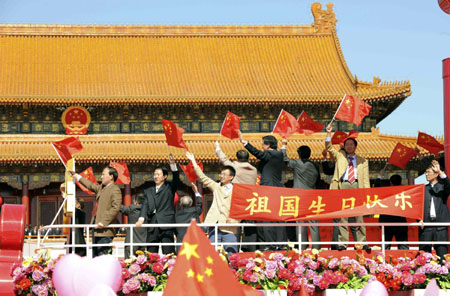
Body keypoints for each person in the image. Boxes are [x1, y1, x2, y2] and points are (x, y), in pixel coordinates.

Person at [325, 124, 370, 251]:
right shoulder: (340, 156)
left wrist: (367, 194)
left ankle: (362, 242)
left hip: (357, 186)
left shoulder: (363, 161)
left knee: (359, 216)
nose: (349, 146)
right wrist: (328, 133)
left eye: (351, 144)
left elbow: (365, 179)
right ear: (344, 146)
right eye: (347, 144)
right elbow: (329, 147)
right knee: (343, 216)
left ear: (355, 146)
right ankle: (343, 243)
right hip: (342, 186)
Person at [239, 131, 286, 250]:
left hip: (269, 188)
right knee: (276, 217)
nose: (262, 147)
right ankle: (278, 243)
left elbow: (259, 154)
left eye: (263, 145)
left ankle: (273, 244)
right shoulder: (278, 154)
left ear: (268, 145)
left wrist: (245, 143)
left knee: (269, 217)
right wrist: (284, 146)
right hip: (275, 188)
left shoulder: (271, 154)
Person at [186, 151, 240, 254]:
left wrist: (235, 220)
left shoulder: (237, 190)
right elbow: (203, 177)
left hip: (229, 226)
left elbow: (241, 209)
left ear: (231, 177)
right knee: (211, 254)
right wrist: (193, 161)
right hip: (214, 225)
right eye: (221, 174)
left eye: (224, 174)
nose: (221, 176)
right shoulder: (216, 187)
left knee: (231, 253)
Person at [69, 166, 122, 257]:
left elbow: (116, 208)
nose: (101, 177)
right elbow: (90, 185)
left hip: (105, 231)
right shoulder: (101, 188)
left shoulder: (115, 189)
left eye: (103, 174)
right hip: (96, 230)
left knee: (103, 259)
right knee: (95, 258)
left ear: (111, 176)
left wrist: (104, 222)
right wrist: (77, 176)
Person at [215, 140, 258, 251]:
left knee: (235, 225)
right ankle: (251, 249)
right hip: (250, 201)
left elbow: (223, 159)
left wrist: (217, 147)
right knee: (250, 226)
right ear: (248, 158)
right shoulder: (254, 170)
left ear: (237, 158)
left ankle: (235, 248)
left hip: (237, 201)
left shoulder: (234, 167)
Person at [281, 139, 321, 250]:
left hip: (300, 197)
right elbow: (319, 180)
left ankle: (302, 246)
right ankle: (317, 247)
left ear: (299, 153)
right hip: (312, 196)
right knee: (314, 223)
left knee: (301, 222)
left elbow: (284, 158)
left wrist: (284, 146)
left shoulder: (298, 163)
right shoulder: (315, 165)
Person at [136, 153, 179, 254]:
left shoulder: (169, 188)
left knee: (168, 253)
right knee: (151, 253)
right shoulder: (148, 191)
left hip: (166, 224)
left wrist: (173, 165)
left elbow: (176, 179)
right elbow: (145, 206)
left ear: (164, 176)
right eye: (154, 174)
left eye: (158, 174)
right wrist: (141, 219)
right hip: (152, 225)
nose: (155, 176)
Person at [419, 160, 450, 262]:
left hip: (440, 226)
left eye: (428, 172)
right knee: (424, 255)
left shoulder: (443, 188)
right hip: (426, 225)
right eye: (426, 172)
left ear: (435, 174)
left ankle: (443, 275)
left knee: (442, 254)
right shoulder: (422, 189)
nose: (426, 174)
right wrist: (419, 219)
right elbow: (417, 206)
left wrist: (441, 172)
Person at [375, 171, 409, 250]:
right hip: (400, 222)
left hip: (386, 222)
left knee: (385, 246)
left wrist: (380, 176)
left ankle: (382, 261)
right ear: (400, 182)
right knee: (403, 246)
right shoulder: (404, 192)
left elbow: (376, 187)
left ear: (390, 182)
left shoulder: (385, 191)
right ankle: (406, 261)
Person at [175, 183, 203, 249]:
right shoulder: (195, 211)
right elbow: (200, 204)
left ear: (181, 205)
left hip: (181, 242)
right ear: (191, 204)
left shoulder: (177, 215)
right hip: (194, 242)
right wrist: (196, 192)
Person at [121, 193, 147, 258]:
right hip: (144, 242)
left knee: (129, 264)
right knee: (143, 264)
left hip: (131, 241)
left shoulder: (131, 209)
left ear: (136, 201)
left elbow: (120, 208)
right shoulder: (148, 211)